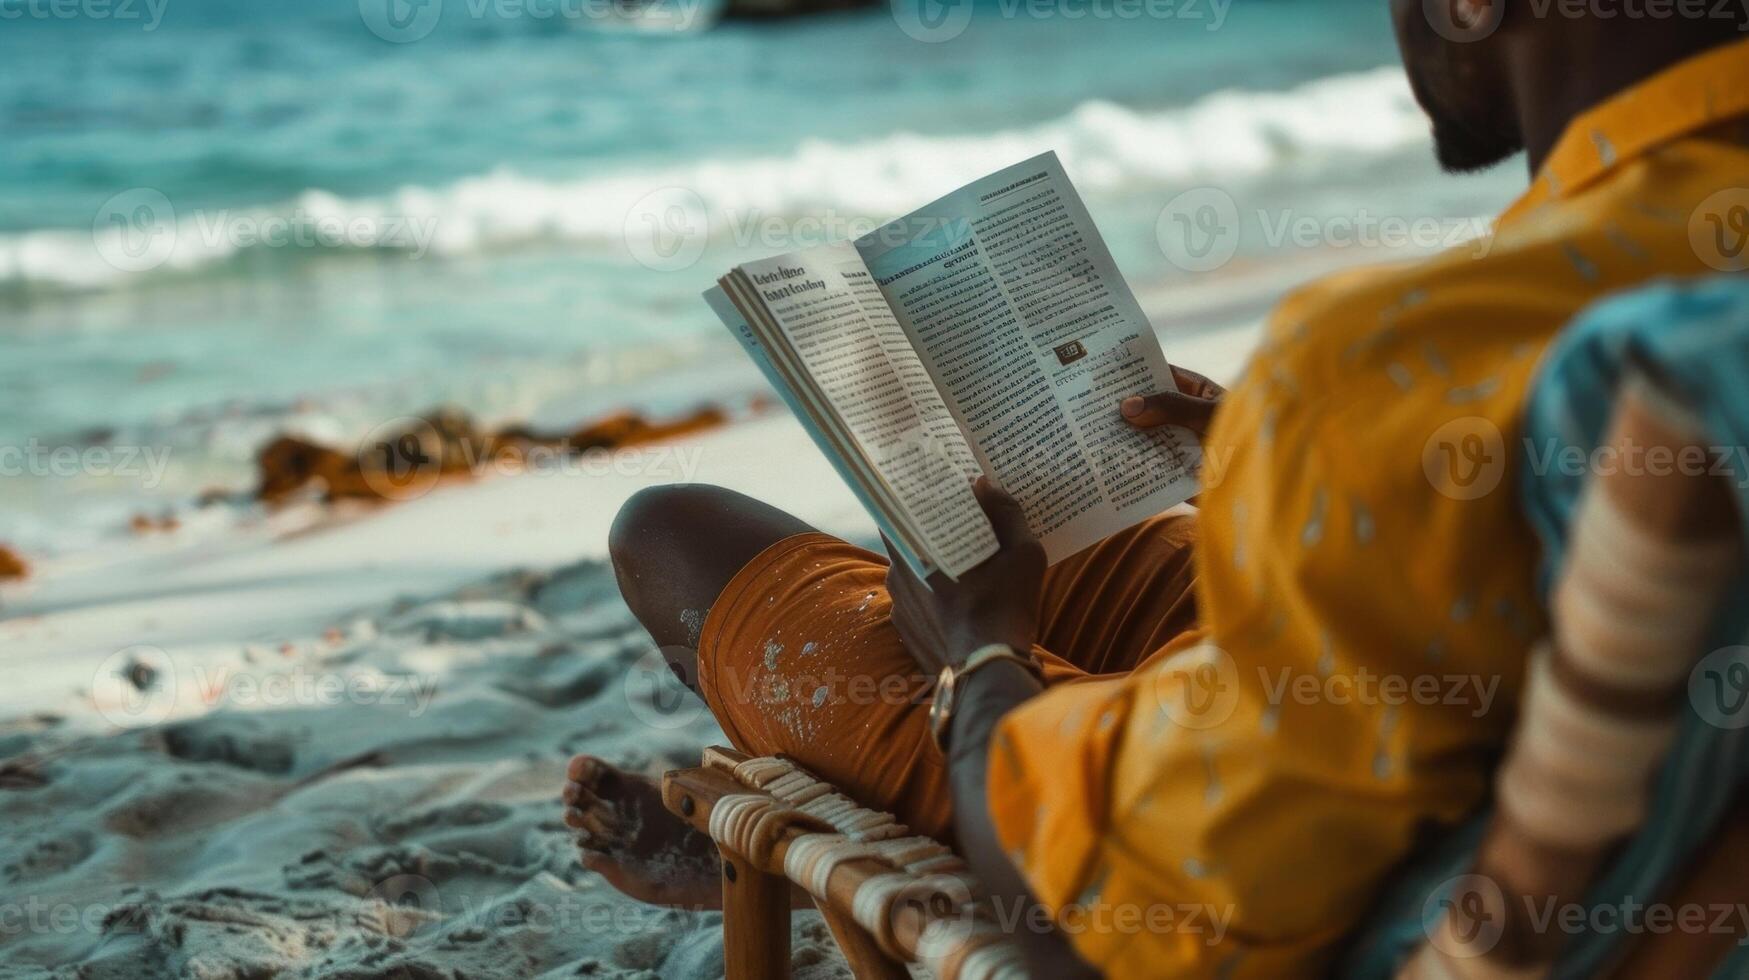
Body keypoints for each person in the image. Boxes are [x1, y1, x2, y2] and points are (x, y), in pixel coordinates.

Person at [562, 6, 1749, 975]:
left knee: (674, 535)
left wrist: (979, 660)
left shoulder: (1388, 355)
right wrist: (1290, 461)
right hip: (1495, 682)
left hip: (1310, 852)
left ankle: (775, 809)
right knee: (980, 504)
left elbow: (1104, 926)